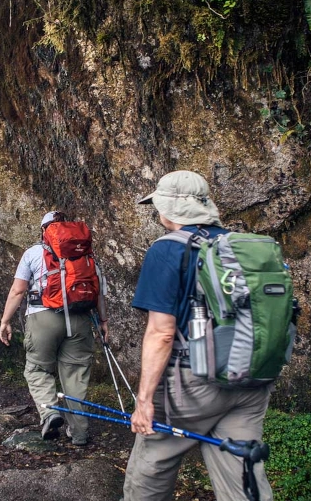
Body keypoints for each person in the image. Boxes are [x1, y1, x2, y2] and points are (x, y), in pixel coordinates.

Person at [123, 170, 273, 501]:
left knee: (151, 465)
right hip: (251, 379)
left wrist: (144, 400)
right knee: (242, 472)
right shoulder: (239, 245)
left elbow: (162, 333)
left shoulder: (168, 250)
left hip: (194, 384)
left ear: (168, 208)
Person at [0, 211, 109, 446]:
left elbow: (18, 291)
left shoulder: (33, 253)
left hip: (43, 317)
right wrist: (103, 322)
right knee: (76, 376)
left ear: (44, 230)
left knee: (38, 369)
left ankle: (50, 413)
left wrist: (5, 321)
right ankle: (79, 434)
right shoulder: (86, 254)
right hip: (81, 320)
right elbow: (98, 292)